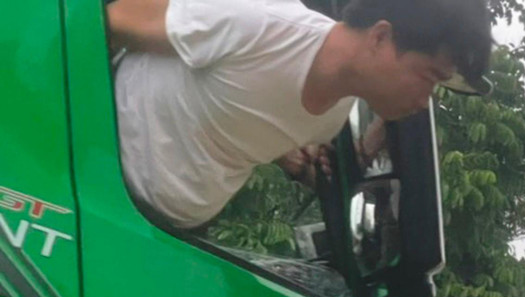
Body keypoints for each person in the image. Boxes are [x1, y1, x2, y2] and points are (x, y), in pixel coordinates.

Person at [105, 0, 492, 230]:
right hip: (94, 195)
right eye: (429, 78)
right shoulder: (259, 21)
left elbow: (248, 114)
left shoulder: (334, 115)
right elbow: (108, 20)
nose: (425, 99)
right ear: (379, 37)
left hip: (166, 233)